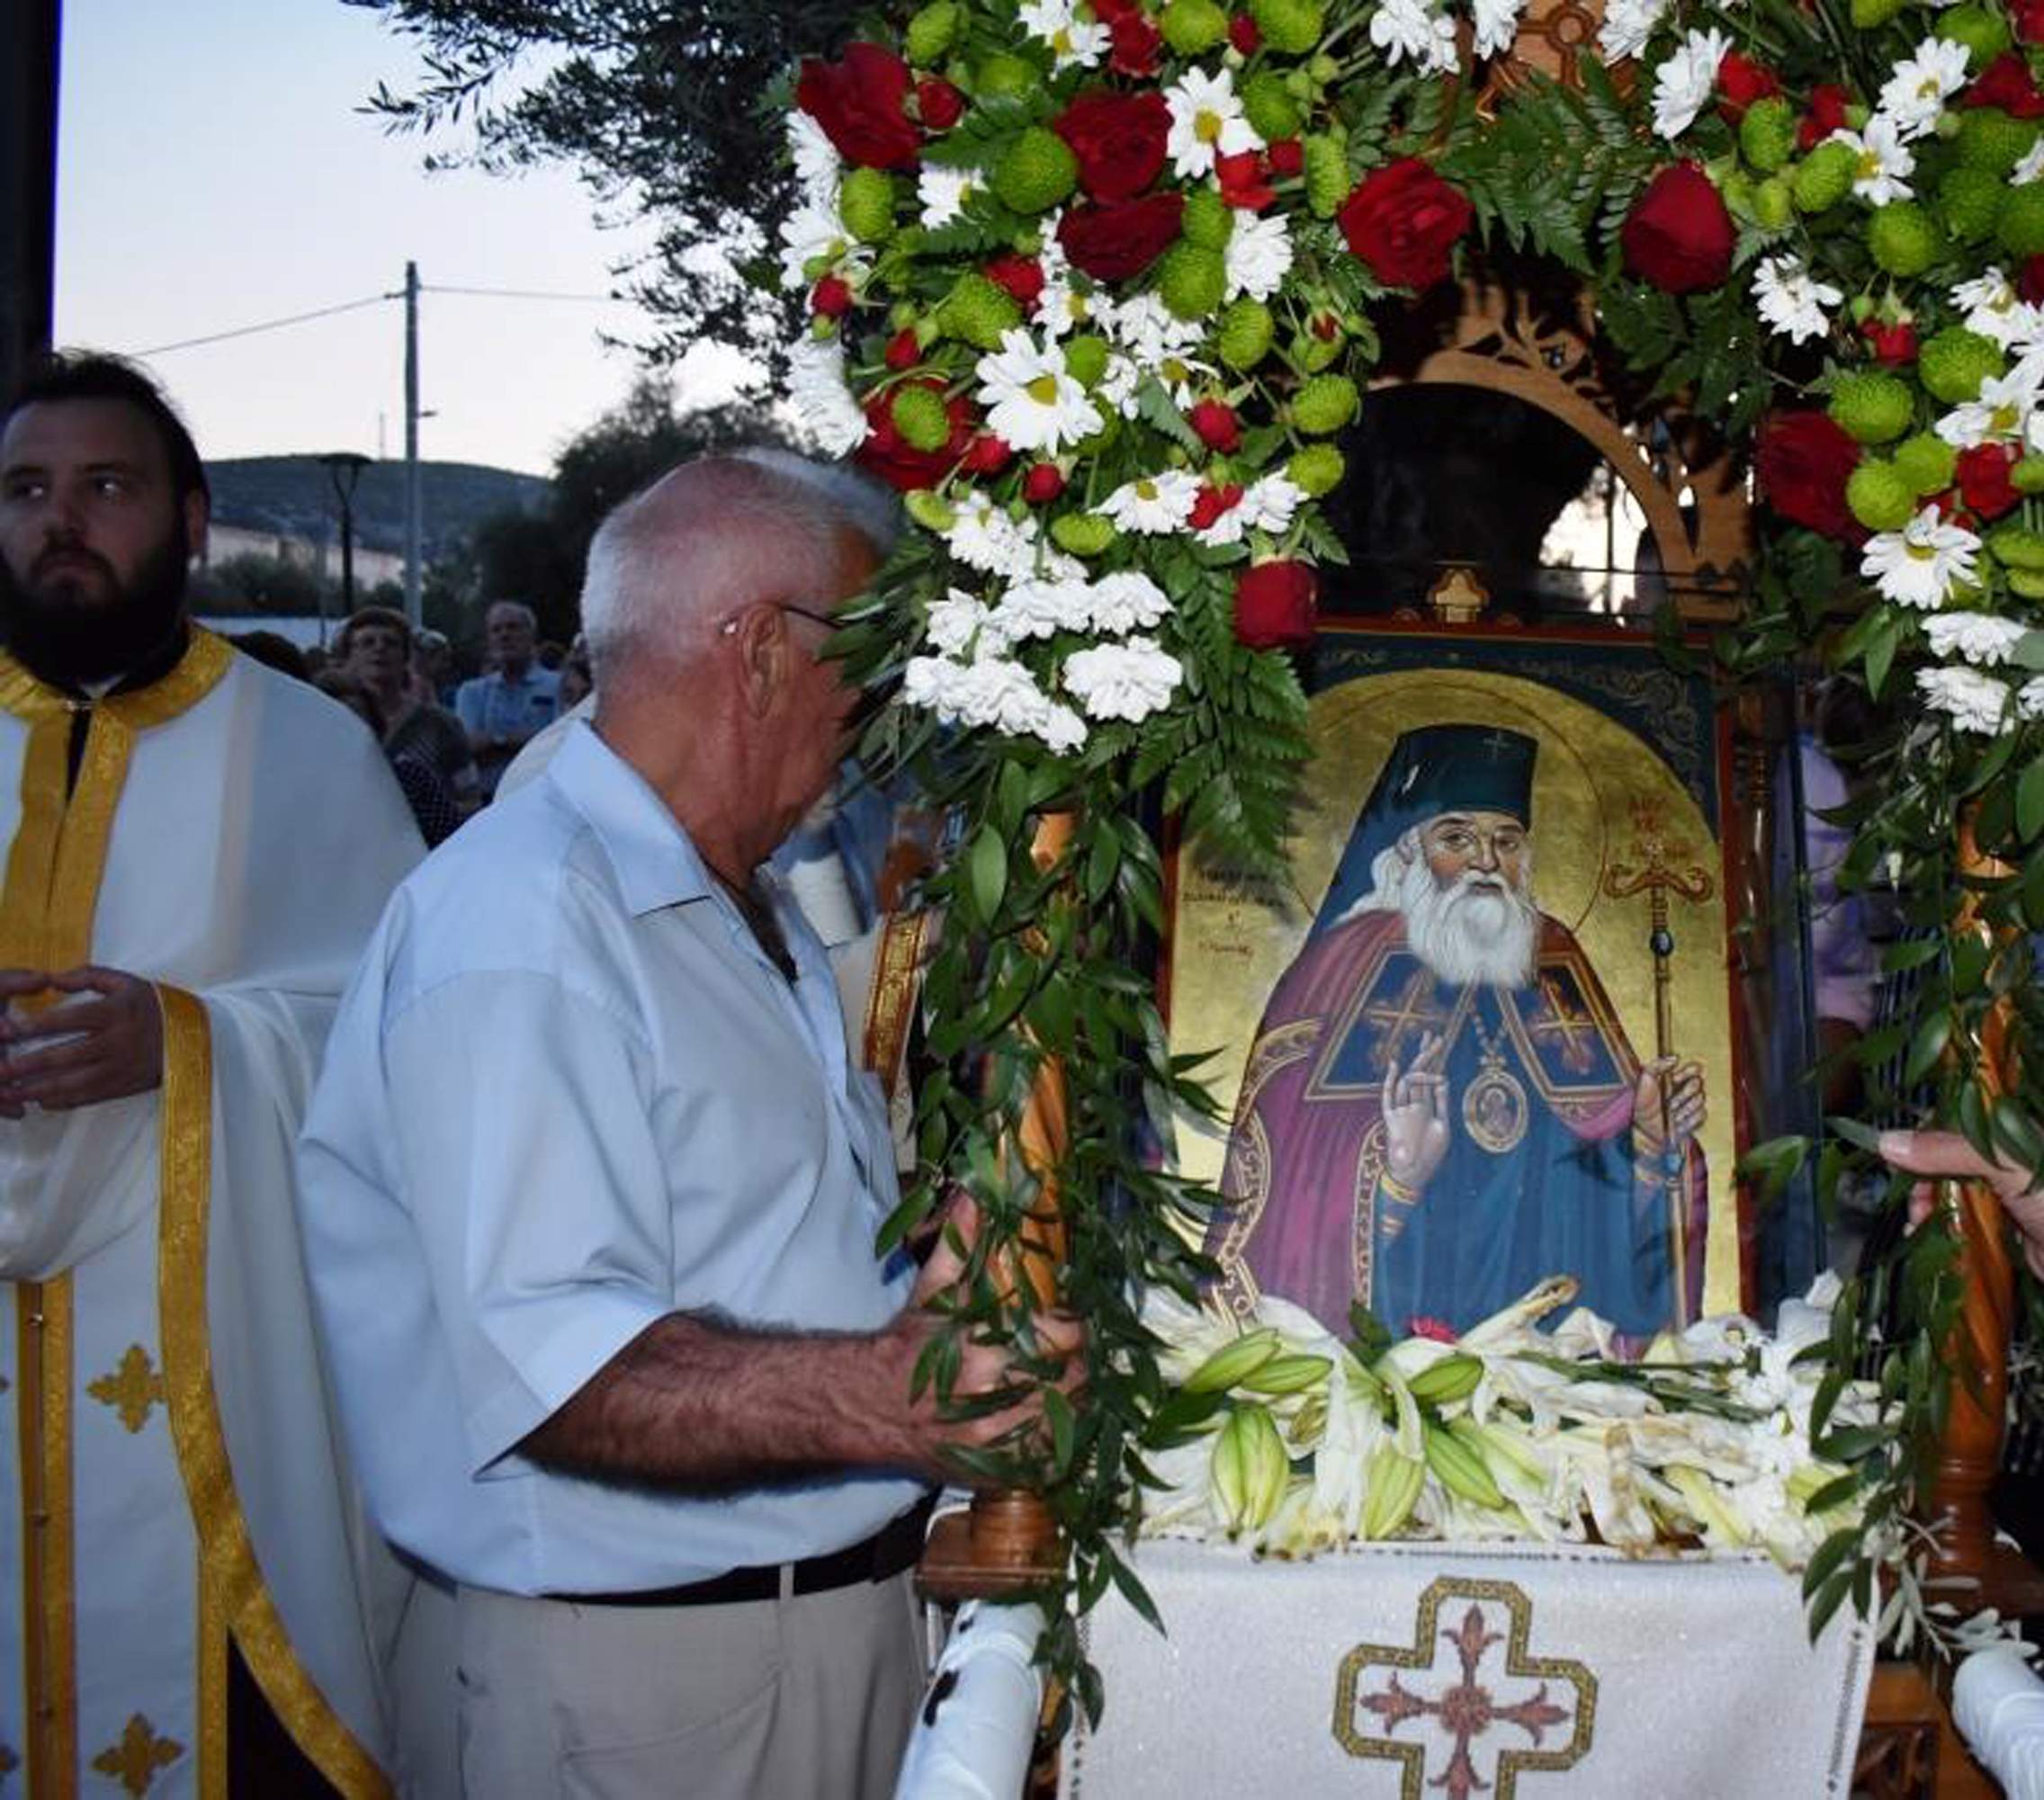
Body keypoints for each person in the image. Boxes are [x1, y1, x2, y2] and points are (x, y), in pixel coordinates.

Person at [296, 452, 1077, 1800]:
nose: (879, 710)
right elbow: (560, 1367)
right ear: (763, 649)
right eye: (871, 657)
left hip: (805, 1632)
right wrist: (901, 1394)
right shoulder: (527, 920)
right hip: (659, 1692)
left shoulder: (730, 898)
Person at [0, 352, 422, 1795]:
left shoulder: (308, 750)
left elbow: (403, 1047)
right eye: (28, 490)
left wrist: (186, 1040)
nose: (62, 520)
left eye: (105, 487)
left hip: (223, 1386)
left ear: (189, 522)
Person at [1206, 723, 1708, 1339]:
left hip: (1538, 1347)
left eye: (1507, 840)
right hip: (1389, 1335)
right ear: (1410, 852)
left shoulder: (1552, 956)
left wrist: (1648, 1144)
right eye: (1457, 837)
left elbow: (1595, 1175)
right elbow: (1291, 1174)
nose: (1486, 861)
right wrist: (1394, 1179)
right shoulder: (1344, 962)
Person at [337, 604, 478, 817]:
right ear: (350, 656)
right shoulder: (335, 722)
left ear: (406, 656)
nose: (379, 648)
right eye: (367, 642)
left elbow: (471, 800)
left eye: (390, 642)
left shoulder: (441, 725)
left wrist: (427, 812)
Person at [317, 667, 464, 849]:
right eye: (335, 722)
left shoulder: (409, 778)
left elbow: (453, 844)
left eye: (355, 720)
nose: (346, 731)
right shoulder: (303, 789)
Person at [453, 599, 559, 798]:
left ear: (531, 635)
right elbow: (466, 748)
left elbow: (559, 745)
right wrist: (523, 740)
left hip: (543, 798)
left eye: (513, 627)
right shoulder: (471, 691)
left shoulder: (558, 687)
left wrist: (494, 740)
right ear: (489, 640)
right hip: (486, 802)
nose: (504, 635)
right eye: (496, 630)